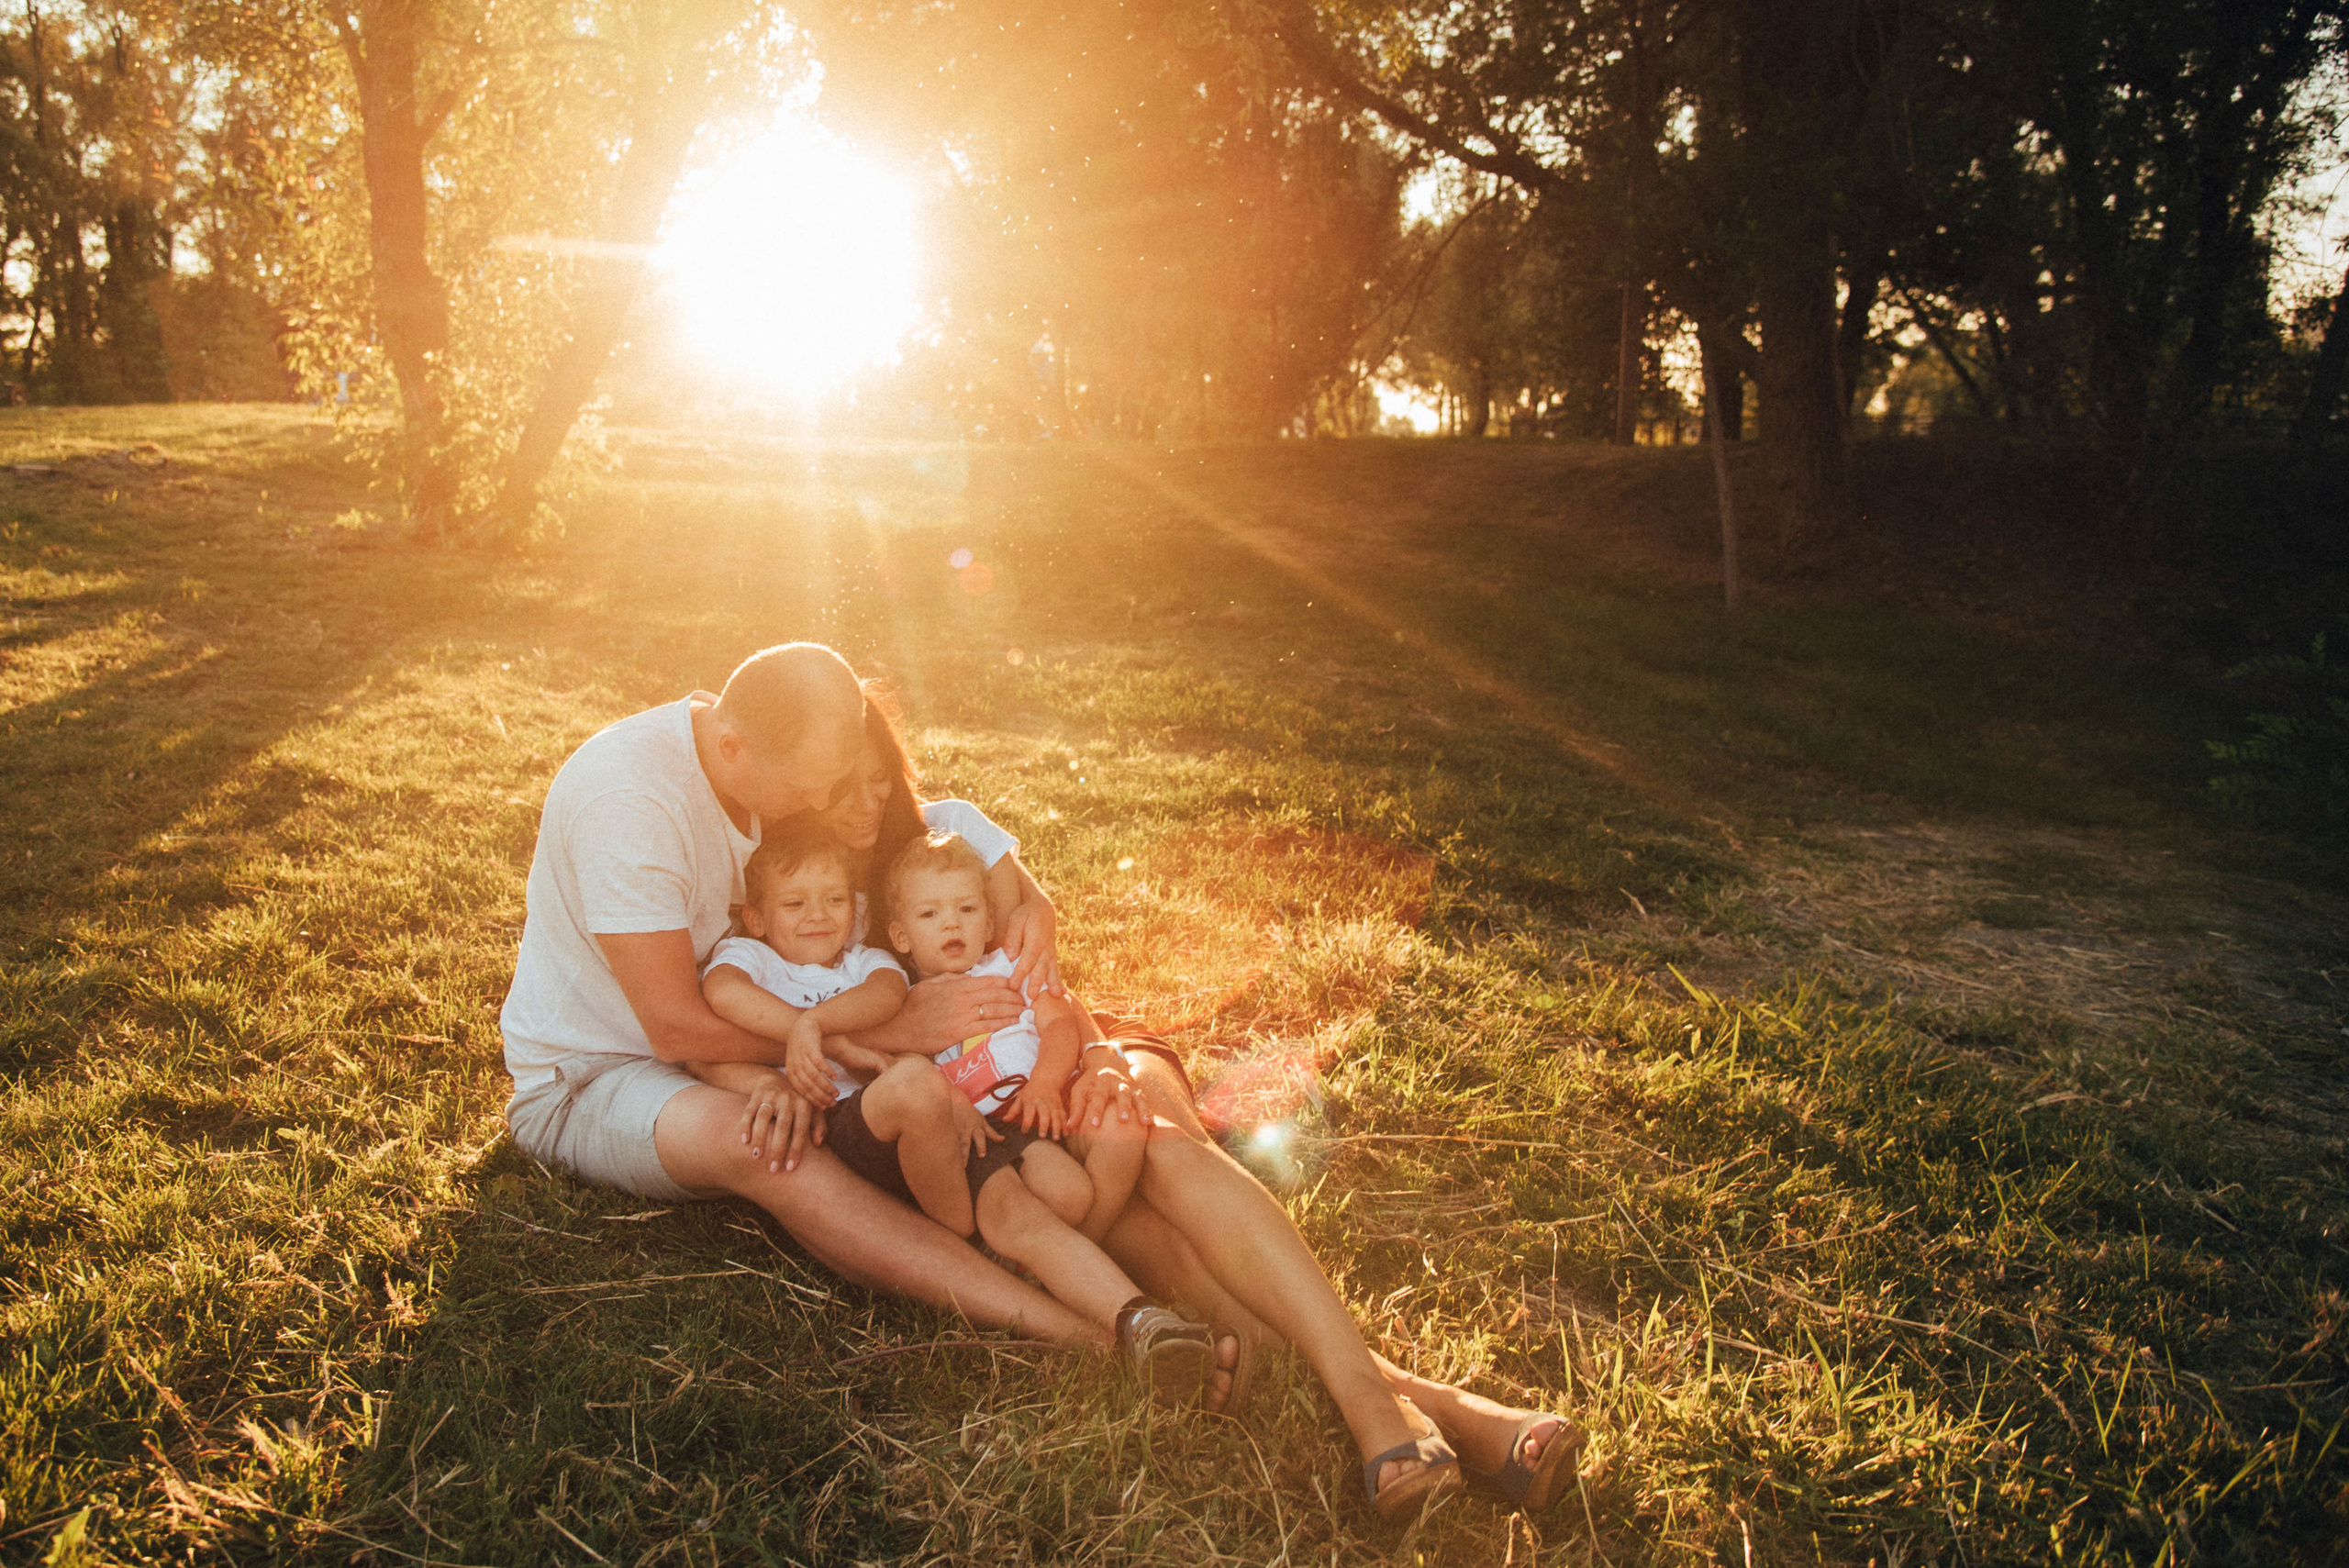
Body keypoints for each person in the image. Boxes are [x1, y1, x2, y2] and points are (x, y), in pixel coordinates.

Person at [740, 687, 1590, 1519]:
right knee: (1157, 1244)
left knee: (1157, 1145)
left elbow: (1048, 975)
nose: (861, 801)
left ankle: (1374, 1405)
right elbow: (779, 1017)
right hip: (992, 1112)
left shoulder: (953, 833)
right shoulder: (811, 890)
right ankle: (1438, 1411)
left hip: (1070, 1047)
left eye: (876, 776)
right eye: (836, 781)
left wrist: (1098, 1058)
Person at [498, 643, 1124, 1357]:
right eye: (813, 789)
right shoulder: (630, 805)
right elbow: (671, 1026)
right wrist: (867, 1033)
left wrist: (1031, 900)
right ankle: (1064, 1331)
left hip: (744, 1029)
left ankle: (1068, 1258)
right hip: (599, 1071)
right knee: (771, 1146)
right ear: (734, 748)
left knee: (871, 1115)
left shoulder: (747, 738)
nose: (824, 807)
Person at [686, 819, 1219, 1403]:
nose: (818, 914)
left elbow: (889, 1001)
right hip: (861, 1123)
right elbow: (721, 1003)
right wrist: (796, 1042)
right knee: (945, 1116)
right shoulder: (750, 957)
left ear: (859, 912)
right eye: (795, 902)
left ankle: (1122, 1315)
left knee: (1064, 1191)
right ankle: (1100, 1305)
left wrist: (820, 1028)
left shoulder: (867, 964)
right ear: (757, 918)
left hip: (942, 1116)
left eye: (835, 899)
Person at [881, 831, 1141, 1240]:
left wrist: (1045, 1084)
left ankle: (1091, 1244)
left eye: (966, 908)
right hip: (997, 1128)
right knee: (1067, 1192)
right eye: (929, 915)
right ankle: (1067, 1257)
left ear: (988, 924)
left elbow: (1058, 1023)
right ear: (900, 937)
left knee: (1122, 1135)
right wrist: (952, 1105)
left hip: (1051, 1093)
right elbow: (903, 1068)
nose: (951, 922)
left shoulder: (1009, 966)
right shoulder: (907, 1003)